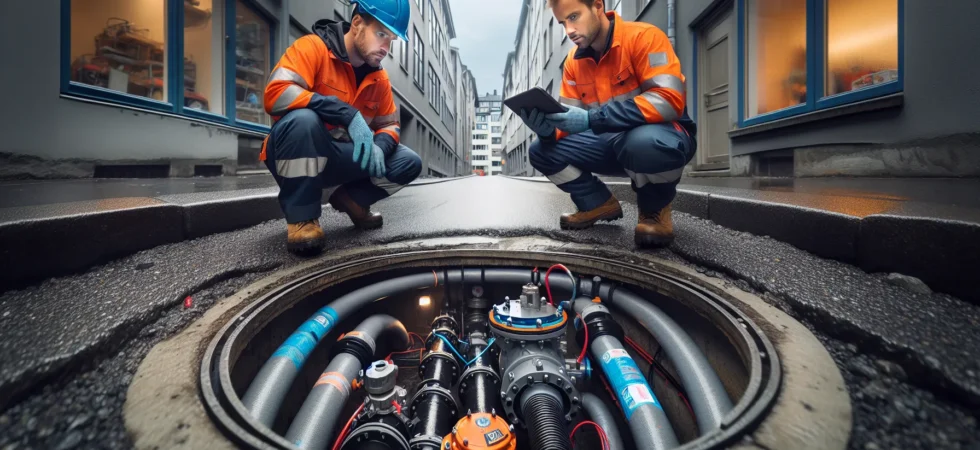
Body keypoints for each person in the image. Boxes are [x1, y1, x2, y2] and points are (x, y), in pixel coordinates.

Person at [520, 0, 697, 248]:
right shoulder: (573, 62)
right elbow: (567, 121)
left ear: (598, 6)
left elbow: (669, 99)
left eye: (574, 17)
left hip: (662, 138)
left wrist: (593, 119)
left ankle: (654, 210)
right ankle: (596, 203)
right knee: (541, 151)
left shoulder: (644, 37)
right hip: (612, 143)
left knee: (643, 143)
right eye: (562, 23)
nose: (568, 30)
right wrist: (548, 131)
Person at [261, 0, 420, 255]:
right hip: (295, 152)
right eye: (381, 34)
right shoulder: (312, 48)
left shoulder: (379, 79)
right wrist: (346, 113)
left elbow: (390, 124)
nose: (386, 47)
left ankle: (353, 201)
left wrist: (380, 146)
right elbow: (276, 94)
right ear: (357, 24)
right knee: (304, 119)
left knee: (408, 161)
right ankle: (303, 219)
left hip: (339, 157)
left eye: (391, 40)